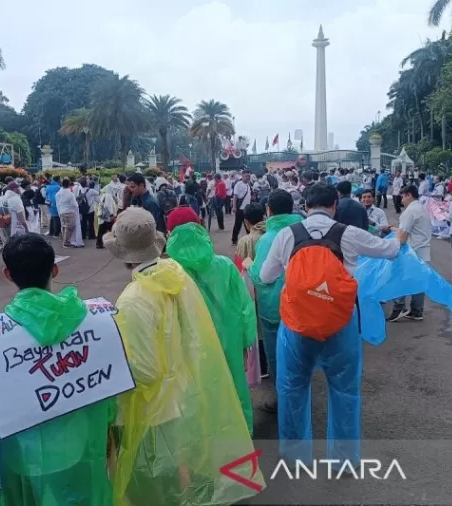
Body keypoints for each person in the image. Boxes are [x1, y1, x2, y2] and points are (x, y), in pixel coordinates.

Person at [104, 208, 262, 506]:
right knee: (185, 463)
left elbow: (144, 370)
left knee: (162, 481)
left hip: (156, 406)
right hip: (187, 385)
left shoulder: (134, 297)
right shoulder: (175, 276)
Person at [260, 183, 405, 468]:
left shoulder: (287, 236)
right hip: (341, 323)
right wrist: (399, 236)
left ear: (305, 206)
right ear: (334, 206)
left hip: (297, 325)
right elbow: (390, 251)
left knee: (292, 388)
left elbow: (266, 276)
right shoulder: (348, 234)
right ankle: (343, 460)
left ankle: (294, 456)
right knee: (344, 390)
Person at [0, 234, 116, 506]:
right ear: (55, 269)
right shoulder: (92, 324)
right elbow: (108, 386)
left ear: (7, 274)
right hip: (80, 443)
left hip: (22, 453)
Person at [166, 207, 257, 434]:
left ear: (170, 234)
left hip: (190, 346)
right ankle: (240, 441)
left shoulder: (169, 273)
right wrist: (247, 344)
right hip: (230, 340)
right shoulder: (224, 265)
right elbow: (246, 308)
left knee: (198, 395)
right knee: (234, 389)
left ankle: (205, 447)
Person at [246, 189, 303, 413]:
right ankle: (300, 395)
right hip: (302, 305)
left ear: (268, 210)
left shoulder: (268, 238)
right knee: (299, 353)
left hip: (274, 308)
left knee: (277, 357)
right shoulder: (303, 230)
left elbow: (262, 277)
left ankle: (285, 400)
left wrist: (249, 265)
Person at [386, 185, 431, 322]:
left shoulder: (409, 211)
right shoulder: (422, 209)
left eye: (402, 196)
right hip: (422, 250)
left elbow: (403, 237)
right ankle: (417, 311)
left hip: (411, 252)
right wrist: (394, 229)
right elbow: (412, 230)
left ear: (409, 195)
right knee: (418, 281)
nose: (401, 198)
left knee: (398, 278)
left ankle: (399, 307)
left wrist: (392, 245)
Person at [56, 178, 80, 248]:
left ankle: (64, 239)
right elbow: (75, 204)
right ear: (69, 184)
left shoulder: (59, 193)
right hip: (69, 212)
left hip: (62, 211)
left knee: (64, 226)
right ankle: (66, 242)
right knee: (69, 227)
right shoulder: (70, 194)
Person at [231, 170, 253, 245]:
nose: (248, 178)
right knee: (238, 224)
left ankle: (250, 239)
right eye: (246, 176)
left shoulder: (248, 185)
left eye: (249, 176)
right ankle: (234, 240)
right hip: (240, 209)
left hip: (247, 208)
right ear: (242, 176)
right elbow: (235, 196)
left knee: (248, 224)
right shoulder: (238, 184)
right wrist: (234, 207)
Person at [95, 183, 117, 249]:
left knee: (102, 231)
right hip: (108, 217)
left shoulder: (104, 195)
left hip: (103, 217)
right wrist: (112, 215)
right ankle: (113, 244)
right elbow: (108, 206)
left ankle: (99, 244)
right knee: (112, 230)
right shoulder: (108, 196)